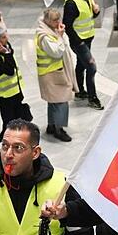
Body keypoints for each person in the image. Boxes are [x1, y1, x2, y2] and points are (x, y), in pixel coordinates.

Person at [35, 9, 77, 142]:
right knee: (61, 101)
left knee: (54, 101)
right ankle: (59, 129)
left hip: (55, 71)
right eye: (54, 20)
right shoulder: (44, 35)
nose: (57, 22)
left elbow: (65, 43)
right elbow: (57, 52)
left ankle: (52, 125)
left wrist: (61, 34)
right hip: (50, 73)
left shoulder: (52, 30)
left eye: (58, 19)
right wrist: (60, 36)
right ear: (46, 20)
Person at [63, 0, 103, 110]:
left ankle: (79, 90)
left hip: (87, 38)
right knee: (91, 67)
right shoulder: (71, 3)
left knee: (81, 65)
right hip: (79, 42)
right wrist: (78, 43)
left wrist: (96, 11)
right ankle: (92, 98)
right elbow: (67, 26)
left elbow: (90, 14)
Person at [0, 26, 29, 145]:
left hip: (15, 92)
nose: (7, 38)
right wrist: (7, 54)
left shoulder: (7, 48)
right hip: (5, 97)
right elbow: (9, 71)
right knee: (8, 123)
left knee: (17, 119)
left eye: (6, 35)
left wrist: (7, 52)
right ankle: (3, 142)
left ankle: (11, 141)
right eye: (3, 37)